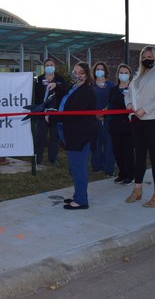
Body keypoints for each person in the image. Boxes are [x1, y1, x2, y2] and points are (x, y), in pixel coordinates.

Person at [124, 46, 155, 207]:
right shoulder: (138, 75)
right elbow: (128, 93)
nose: (147, 59)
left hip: (154, 120)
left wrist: (145, 109)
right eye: (144, 56)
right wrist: (130, 104)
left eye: (150, 56)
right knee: (139, 156)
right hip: (137, 120)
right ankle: (137, 189)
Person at [49, 62, 97, 210]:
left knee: (78, 167)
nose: (77, 75)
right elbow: (66, 98)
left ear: (87, 75)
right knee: (74, 167)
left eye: (81, 72)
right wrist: (57, 87)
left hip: (79, 134)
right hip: (69, 131)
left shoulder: (87, 91)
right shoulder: (75, 87)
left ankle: (82, 200)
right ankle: (78, 195)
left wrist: (51, 118)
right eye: (75, 72)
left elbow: (73, 113)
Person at [33, 58, 66, 166]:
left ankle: (52, 158)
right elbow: (36, 96)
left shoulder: (60, 79)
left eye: (51, 65)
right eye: (47, 65)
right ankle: (38, 158)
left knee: (54, 137)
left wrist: (57, 86)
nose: (49, 67)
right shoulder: (39, 79)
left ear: (54, 66)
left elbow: (64, 91)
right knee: (40, 136)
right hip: (42, 113)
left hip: (55, 113)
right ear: (44, 67)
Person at [107, 64, 135, 185]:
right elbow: (110, 104)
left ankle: (130, 174)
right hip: (114, 124)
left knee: (128, 151)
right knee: (117, 150)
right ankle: (122, 173)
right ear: (118, 74)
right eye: (121, 72)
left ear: (130, 75)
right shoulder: (113, 89)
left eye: (126, 72)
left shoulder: (134, 89)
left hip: (128, 125)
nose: (123, 74)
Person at [91, 61, 116, 176]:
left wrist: (105, 111)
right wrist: (95, 113)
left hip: (108, 119)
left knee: (108, 144)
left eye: (101, 69)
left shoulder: (111, 86)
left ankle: (109, 168)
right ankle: (97, 166)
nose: (99, 71)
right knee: (96, 143)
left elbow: (114, 100)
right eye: (97, 69)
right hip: (94, 119)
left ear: (105, 71)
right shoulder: (91, 86)